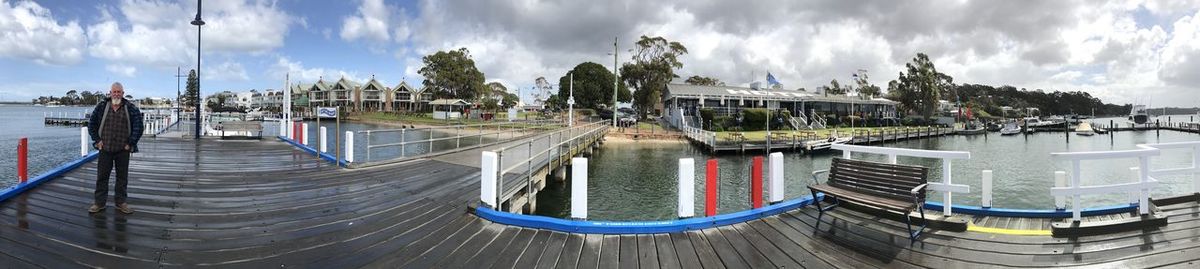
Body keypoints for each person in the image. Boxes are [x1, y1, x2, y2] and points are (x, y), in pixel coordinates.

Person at [87, 82, 144, 214]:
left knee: (122, 178)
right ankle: (99, 203)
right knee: (102, 177)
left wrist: (130, 143)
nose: (117, 94)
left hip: (123, 150)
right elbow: (92, 124)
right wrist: (97, 140)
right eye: (114, 91)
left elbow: (138, 127)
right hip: (105, 149)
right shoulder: (101, 106)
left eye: (119, 92)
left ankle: (121, 203)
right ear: (110, 93)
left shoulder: (131, 108)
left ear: (123, 94)